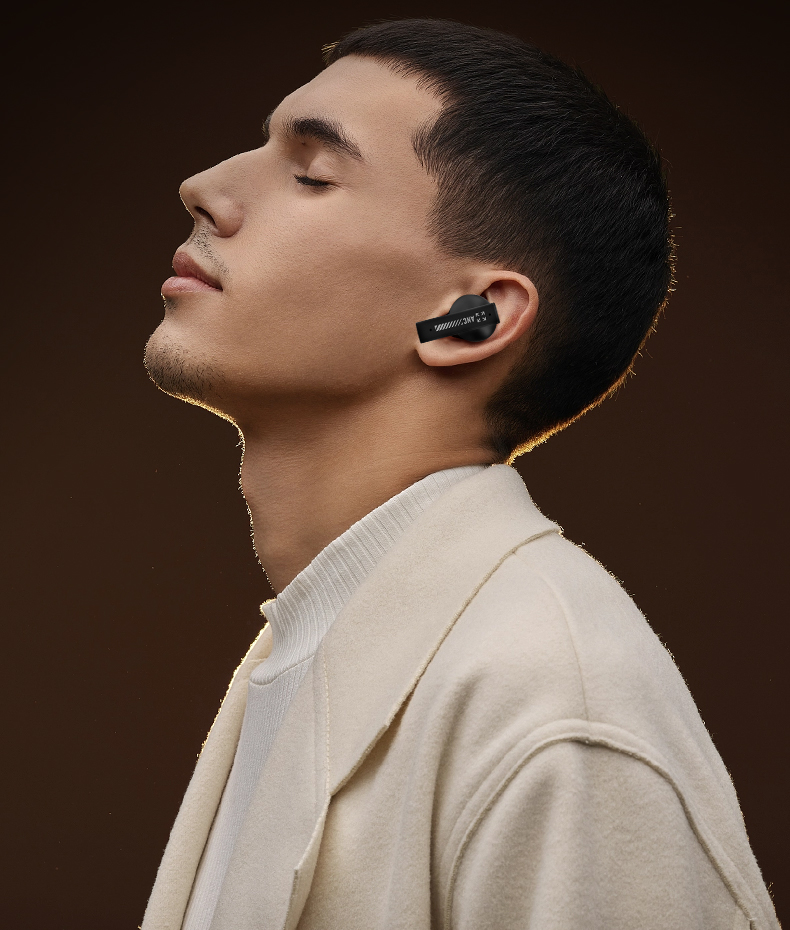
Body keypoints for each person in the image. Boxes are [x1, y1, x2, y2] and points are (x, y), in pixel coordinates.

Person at [140, 17, 779, 930]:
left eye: (312, 173)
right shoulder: (307, 653)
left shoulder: (550, 701)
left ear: (472, 315)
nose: (204, 188)